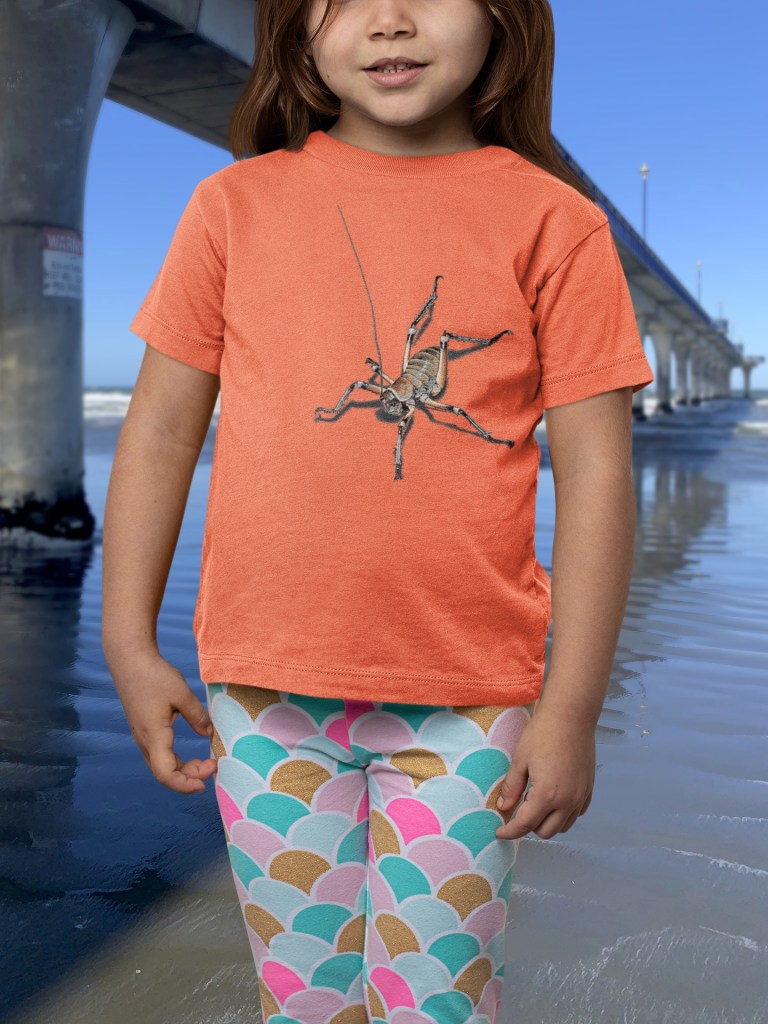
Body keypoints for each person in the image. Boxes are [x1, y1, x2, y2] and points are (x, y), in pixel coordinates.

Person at [102, 0, 655, 1021]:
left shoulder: (556, 221)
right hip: (264, 692)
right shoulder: (232, 208)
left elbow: (596, 473)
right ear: (293, 26)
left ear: (504, 18)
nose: (389, 20)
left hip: (471, 701)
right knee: (303, 1000)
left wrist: (572, 707)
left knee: (437, 1001)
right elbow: (162, 432)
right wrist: (128, 638)